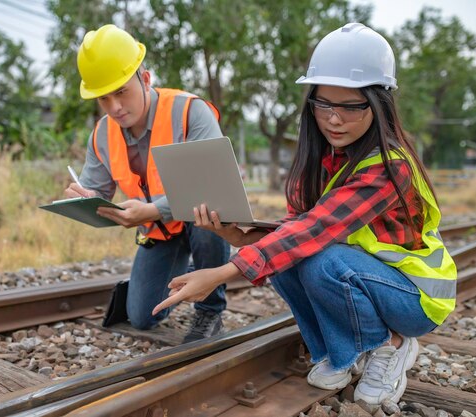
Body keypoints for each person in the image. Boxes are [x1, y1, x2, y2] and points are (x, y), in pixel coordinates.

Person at [152, 22, 457, 406]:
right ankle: (341, 354)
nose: (333, 119)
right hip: (370, 278)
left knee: (322, 259)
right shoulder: (321, 160)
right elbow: (294, 235)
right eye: (324, 104)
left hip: (415, 298)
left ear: (379, 106)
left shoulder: (389, 166)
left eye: (351, 106)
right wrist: (234, 236)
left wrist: (221, 273)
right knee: (286, 258)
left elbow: (318, 227)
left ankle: (389, 345)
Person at [65, 24, 230, 343]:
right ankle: (162, 278)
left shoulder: (189, 112)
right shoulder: (102, 134)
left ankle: (210, 311)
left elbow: (213, 187)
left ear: (145, 78)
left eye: (121, 92)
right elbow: (96, 192)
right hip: (161, 232)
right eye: (104, 98)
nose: (114, 107)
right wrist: (82, 199)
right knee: (141, 317)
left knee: (210, 217)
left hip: (203, 221)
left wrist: (152, 210)